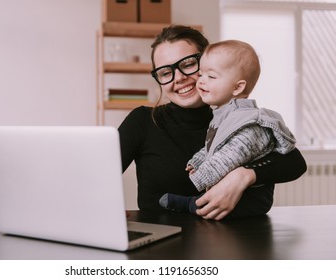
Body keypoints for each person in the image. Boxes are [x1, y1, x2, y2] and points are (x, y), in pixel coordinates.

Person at [118, 25, 307, 220]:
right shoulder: (142, 121)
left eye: (188, 63)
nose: (180, 78)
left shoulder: (240, 119)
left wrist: (243, 176)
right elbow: (95, 176)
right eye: (165, 73)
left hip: (239, 243)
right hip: (162, 244)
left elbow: (295, 163)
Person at [159, 39, 296, 214]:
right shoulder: (222, 114)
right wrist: (199, 160)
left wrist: (204, 175)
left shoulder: (249, 121)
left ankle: (191, 204)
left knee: (208, 206)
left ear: (237, 87)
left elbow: (233, 153)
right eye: (201, 75)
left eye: (211, 77)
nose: (201, 81)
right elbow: (216, 145)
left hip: (250, 201)